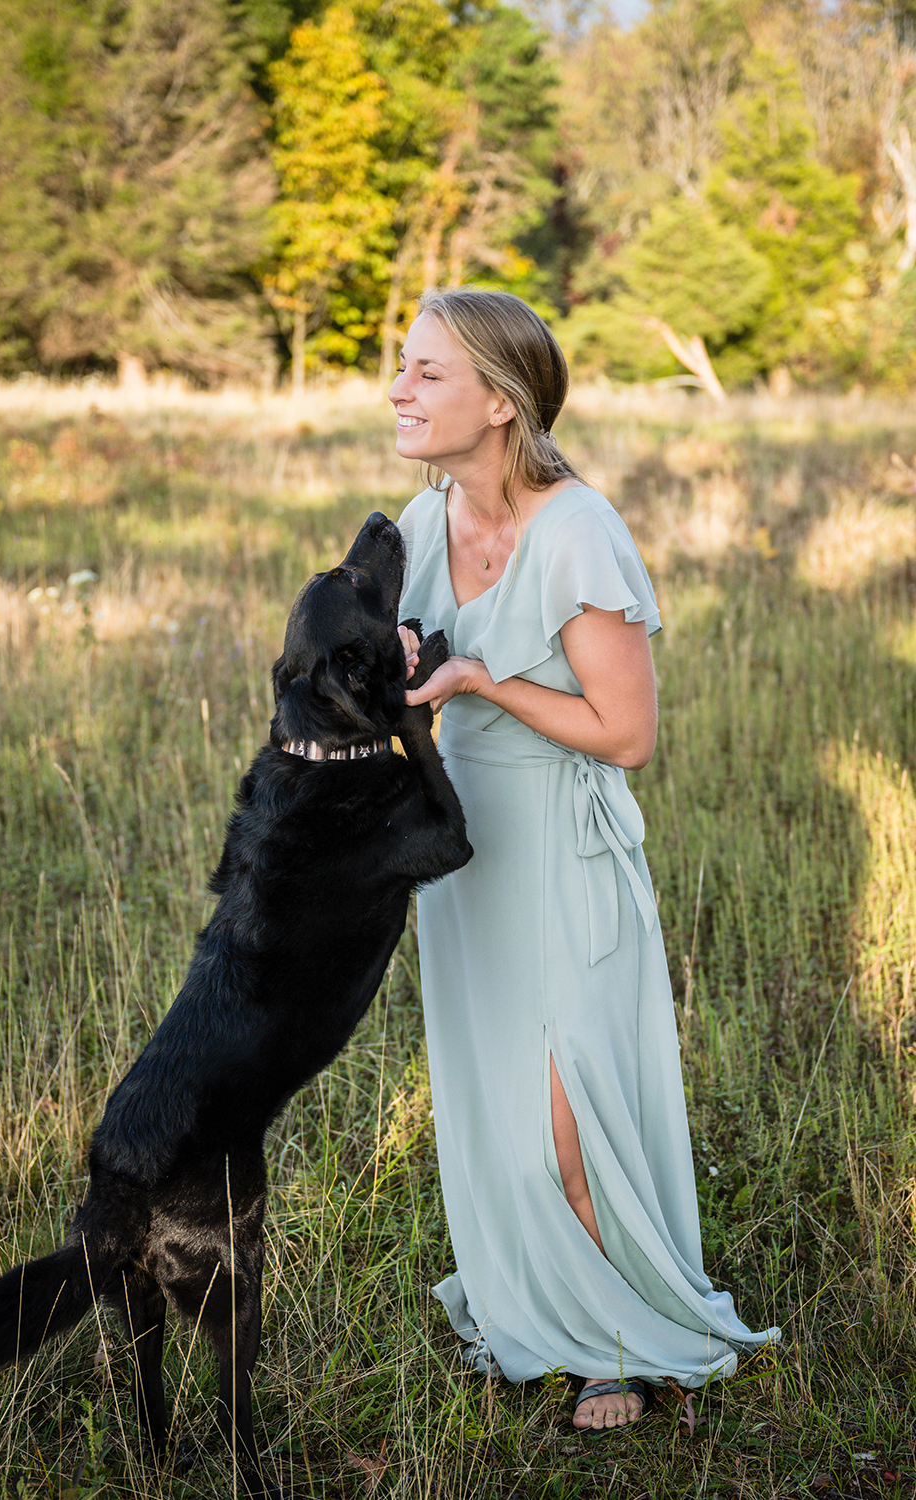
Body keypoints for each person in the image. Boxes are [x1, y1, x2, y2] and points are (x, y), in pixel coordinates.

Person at [390, 289, 779, 1431]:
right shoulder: (421, 526)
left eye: (426, 373)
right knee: (493, 1100)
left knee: (569, 1112)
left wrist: (479, 682)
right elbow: (402, 667)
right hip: (465, 855)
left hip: (560, 848)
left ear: (500, 404)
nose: (399, 389)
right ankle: (529, 1302)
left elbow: (628, 736)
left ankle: (616, 1339)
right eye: (401, 368)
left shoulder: (575, 531)